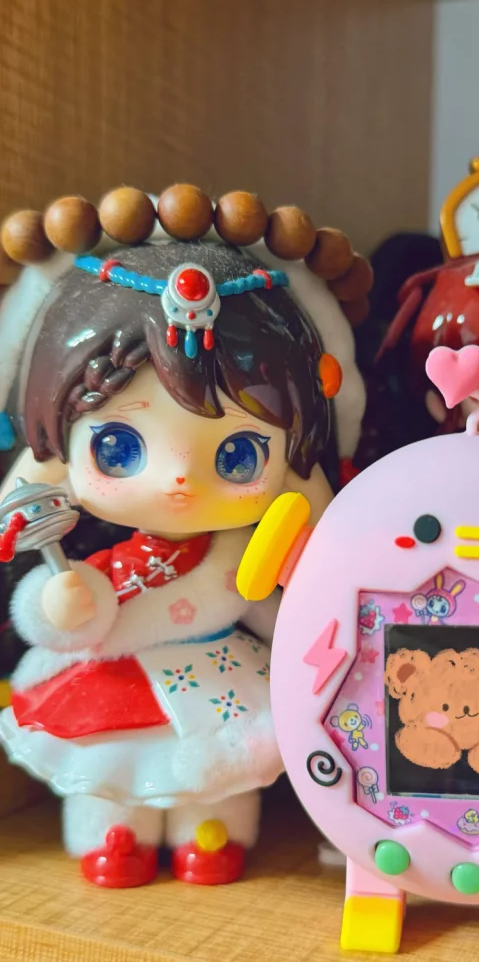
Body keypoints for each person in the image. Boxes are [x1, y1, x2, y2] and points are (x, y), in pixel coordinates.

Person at [0, 185, 370, 887]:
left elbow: (285, 622)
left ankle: (211, 830)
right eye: (118, 448)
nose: (177, 480)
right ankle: (114, 832)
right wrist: (59, 605)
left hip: (223, 671)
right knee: (106, 767)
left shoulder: (246, 551)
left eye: (236, 454)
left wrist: (309, 618)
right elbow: (63, 613)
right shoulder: (98, 550)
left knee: (222, 770)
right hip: (115, 667)